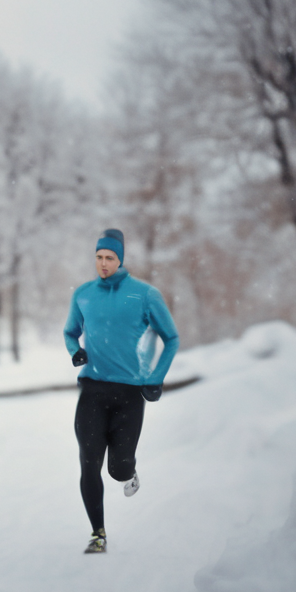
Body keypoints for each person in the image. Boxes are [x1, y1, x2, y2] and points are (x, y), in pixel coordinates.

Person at [63, 228, 179, 554]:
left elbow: (171, 338)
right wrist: (75, 351)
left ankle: (129, 471)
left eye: (110, 257)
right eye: (99, 257)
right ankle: (98, 533)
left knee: (118, 468)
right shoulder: (84, 294)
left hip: (129, 394)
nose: (103, 263)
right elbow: (70, 332)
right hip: (92, 390)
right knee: (89, 462)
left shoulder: (144, 295)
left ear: (121, 259)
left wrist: (155, 378)